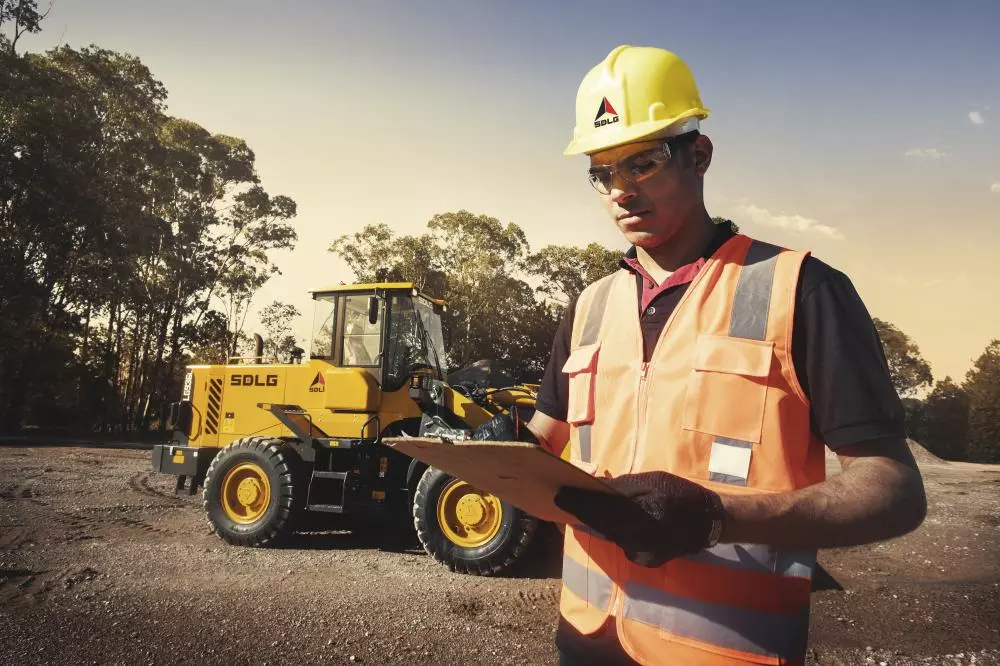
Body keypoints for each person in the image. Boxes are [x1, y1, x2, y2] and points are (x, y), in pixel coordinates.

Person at [521, 45, 927, 666]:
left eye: (644, 163)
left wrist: (716, 518)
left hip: (726, 652)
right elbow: (544, 443)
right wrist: (492, 447)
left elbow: (893, 488)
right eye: (603, 173)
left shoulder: (803, 290)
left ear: (699, 154)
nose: (621, 191)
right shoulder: (589, 306)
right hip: (585, 638)